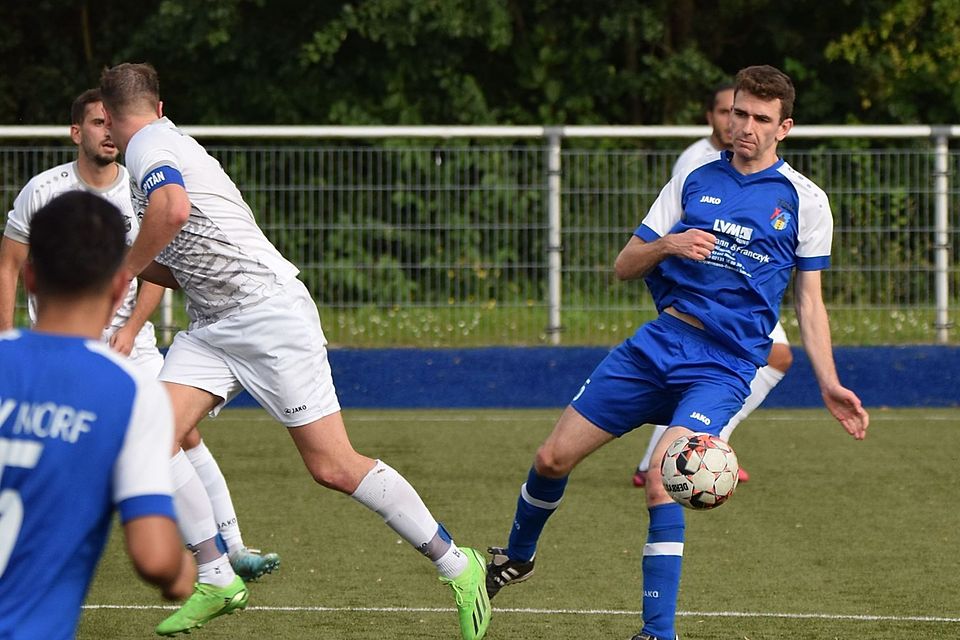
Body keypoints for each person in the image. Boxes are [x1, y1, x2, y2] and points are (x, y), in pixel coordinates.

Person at [98, 62, 491, 640]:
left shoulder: (151, 145)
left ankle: (460, 567)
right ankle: (216, 577)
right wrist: (115, 265)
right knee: (144, 437)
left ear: (110, 117)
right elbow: (186, 258)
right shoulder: (159, 145)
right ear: (159, 105)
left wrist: (119, 277)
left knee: (332, 466)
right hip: (214, 326)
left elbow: (173, 211)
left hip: (267, 316)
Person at [484, 65, 869, 640]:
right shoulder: (691, 181)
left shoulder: (806, 202)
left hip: (726, 366)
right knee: (551, 459)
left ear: (783, 127)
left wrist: (828, 382)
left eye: (761, 119)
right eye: (738, 113)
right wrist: (669, 243)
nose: (745, 127)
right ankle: (518, 556)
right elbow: (622, 266)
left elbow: (809, 303)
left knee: (666, 478)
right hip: (658, 344)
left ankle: (657, 633)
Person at [0, 89, 280, 584]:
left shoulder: (141, 188)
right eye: (95, 123)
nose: (108, 132)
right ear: (76, 133)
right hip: (62, 345)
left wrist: (129, 329)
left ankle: (230, 549)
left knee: (179, 431)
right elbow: (9, 265)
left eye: (112, 123)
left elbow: (157, 271)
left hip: (131, 344)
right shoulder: (43, 191)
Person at [0, 191, 196, 639]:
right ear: (119, 287)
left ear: (30, 277)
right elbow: (154, 556)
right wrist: (182, 570)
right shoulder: (130, 391)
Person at [632, 83, 794, 487]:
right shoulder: (696, 163)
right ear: (712, 117)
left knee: (779, 357)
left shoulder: (767, 170)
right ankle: (686, 451)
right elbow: (681, 225)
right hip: (704, 291)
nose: (736, 122)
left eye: (750, 115)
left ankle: (704, 442)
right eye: (729, 113)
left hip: (742, 291)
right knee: (716, 370)